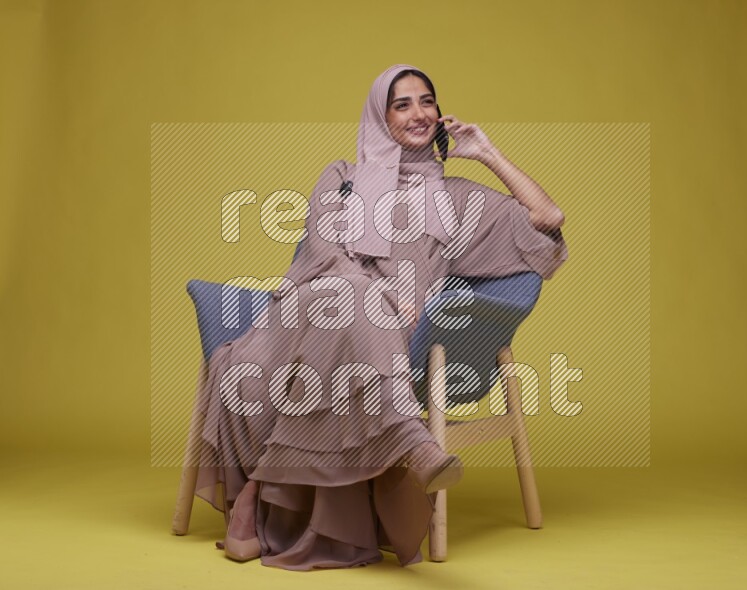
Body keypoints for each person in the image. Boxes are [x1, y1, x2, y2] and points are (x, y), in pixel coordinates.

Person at [190, 63, 568, 570]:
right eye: (402, 103)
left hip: (376, 343)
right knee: (353, 298)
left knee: (365, 325)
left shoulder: (456, 199)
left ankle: (256, 495)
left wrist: (486, 152)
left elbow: (548, 221)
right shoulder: (342, 177)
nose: (419, 112)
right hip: (307, 313)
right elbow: (324, 254)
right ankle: (411, 440)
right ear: (379, 115)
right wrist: (383, 294)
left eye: (427, 101)